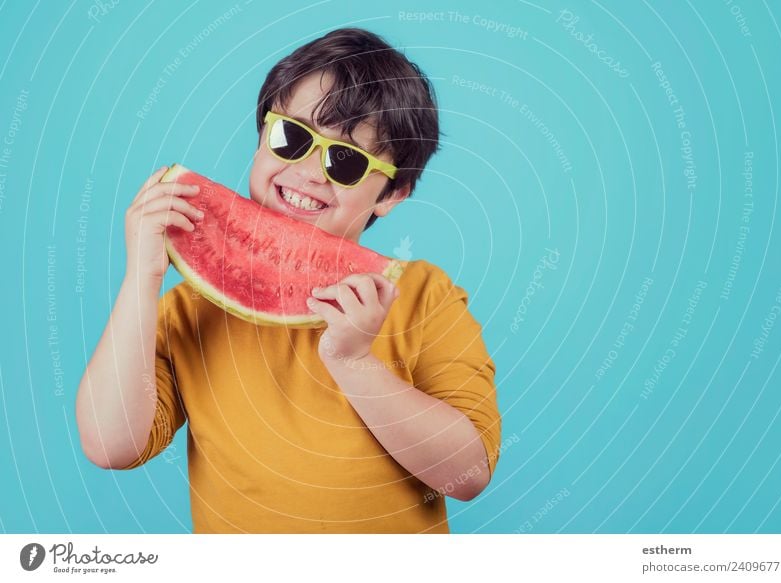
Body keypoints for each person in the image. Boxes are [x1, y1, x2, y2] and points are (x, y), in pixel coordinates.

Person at [76, 27, 501, 533]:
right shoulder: (190, 309)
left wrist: (354, 361)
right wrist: (141, 279)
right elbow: (110, 443)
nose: (309, 172)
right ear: (261, 134)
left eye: (345, 160)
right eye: (292, 137)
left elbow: (467, 474)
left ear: (393, 193)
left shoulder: (424, 297)